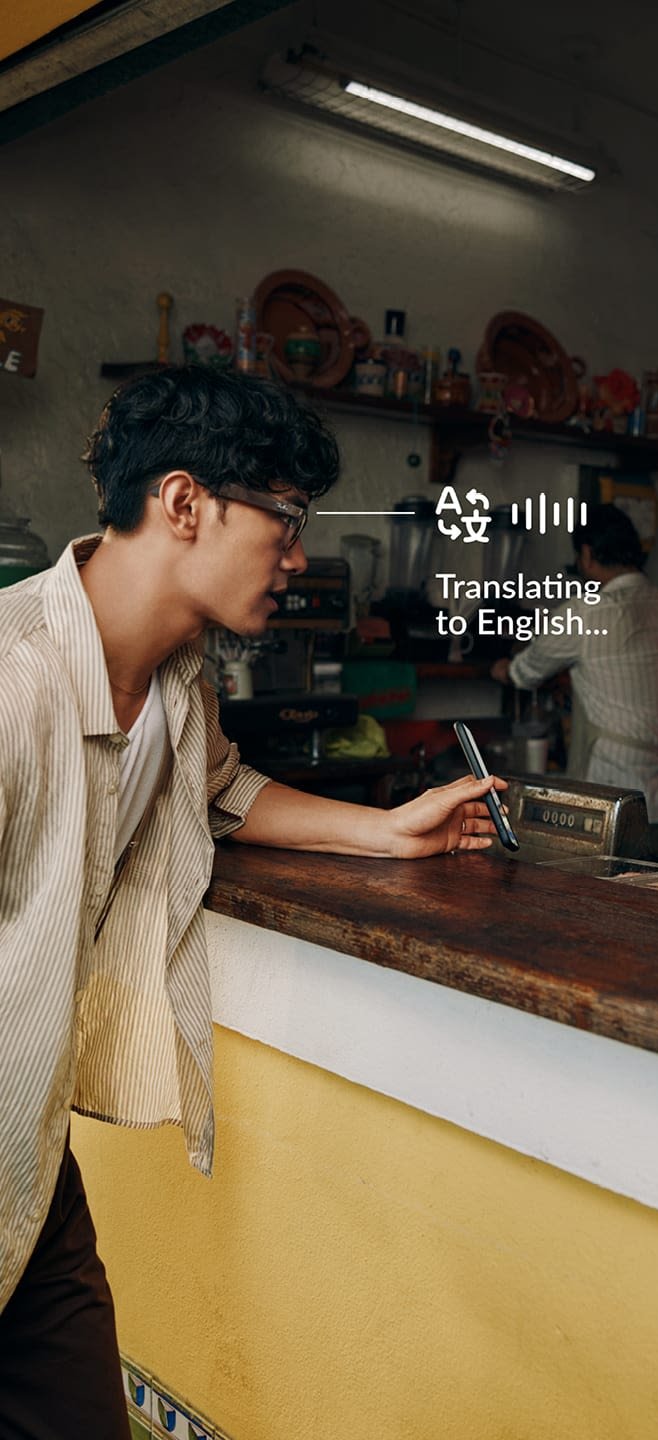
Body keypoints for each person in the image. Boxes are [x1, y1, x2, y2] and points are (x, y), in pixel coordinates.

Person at [0, 366, 504, 1435]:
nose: (299, 556)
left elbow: (217, 784)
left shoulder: (178, 674)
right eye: (283, 519)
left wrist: (384, 828)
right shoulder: (13, 682)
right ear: (185, 504)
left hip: (26, 1158)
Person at [490, 504, 658, 860]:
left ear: (587, 554)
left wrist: (499, 668)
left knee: (610, 901)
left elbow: (524, 673)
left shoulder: (586, 612)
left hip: (617, 795)